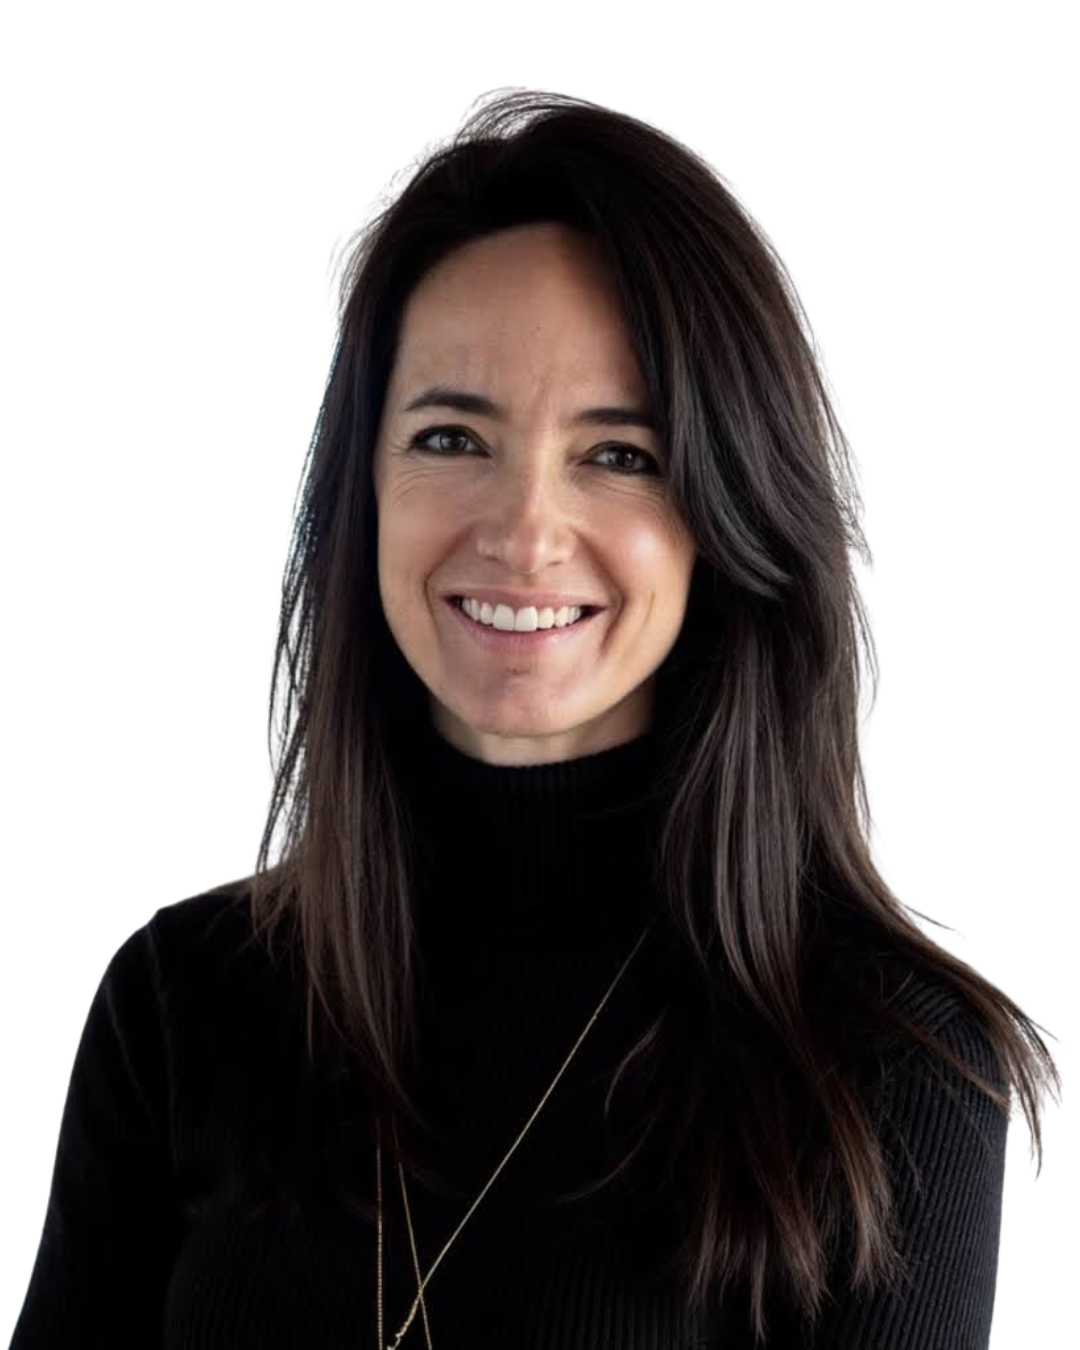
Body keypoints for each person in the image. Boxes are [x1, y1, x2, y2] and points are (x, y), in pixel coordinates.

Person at [11, 87, 1063, 1349]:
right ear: (362, 490)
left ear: (731, 513)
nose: (521, 531)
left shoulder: (894, 1060)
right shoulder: (182, 1002)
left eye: (620, 455)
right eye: (452, 436)